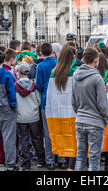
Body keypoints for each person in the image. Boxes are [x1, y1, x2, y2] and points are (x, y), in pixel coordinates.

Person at [72, 47, 108, 171]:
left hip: (80, 119)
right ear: (96, 60)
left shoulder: (75, 76)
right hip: (95, 122)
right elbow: (102, 104)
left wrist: (80, 113)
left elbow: (73, 102)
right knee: (94, 159)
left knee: (80, 157)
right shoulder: (97, 78)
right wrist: (105, 119)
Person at [15, 62, 45, 170]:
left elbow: (14, 102)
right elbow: (39, 100)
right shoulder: (34, 85)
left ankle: (25, 164)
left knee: (24, 140)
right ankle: (41, 160)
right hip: (34, 116)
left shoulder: (15, 86)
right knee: (37, 138)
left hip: (21, 117)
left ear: (19, 72)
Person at [35, 42, 58, 170]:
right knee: (58, 129)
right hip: (58, 100)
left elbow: (38, 85)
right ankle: (60, 158)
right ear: (52, 51)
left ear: (42, 53)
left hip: (45, 101)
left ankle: (50, 160)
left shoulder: (41, 66)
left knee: (48, 131)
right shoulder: (57, 63)